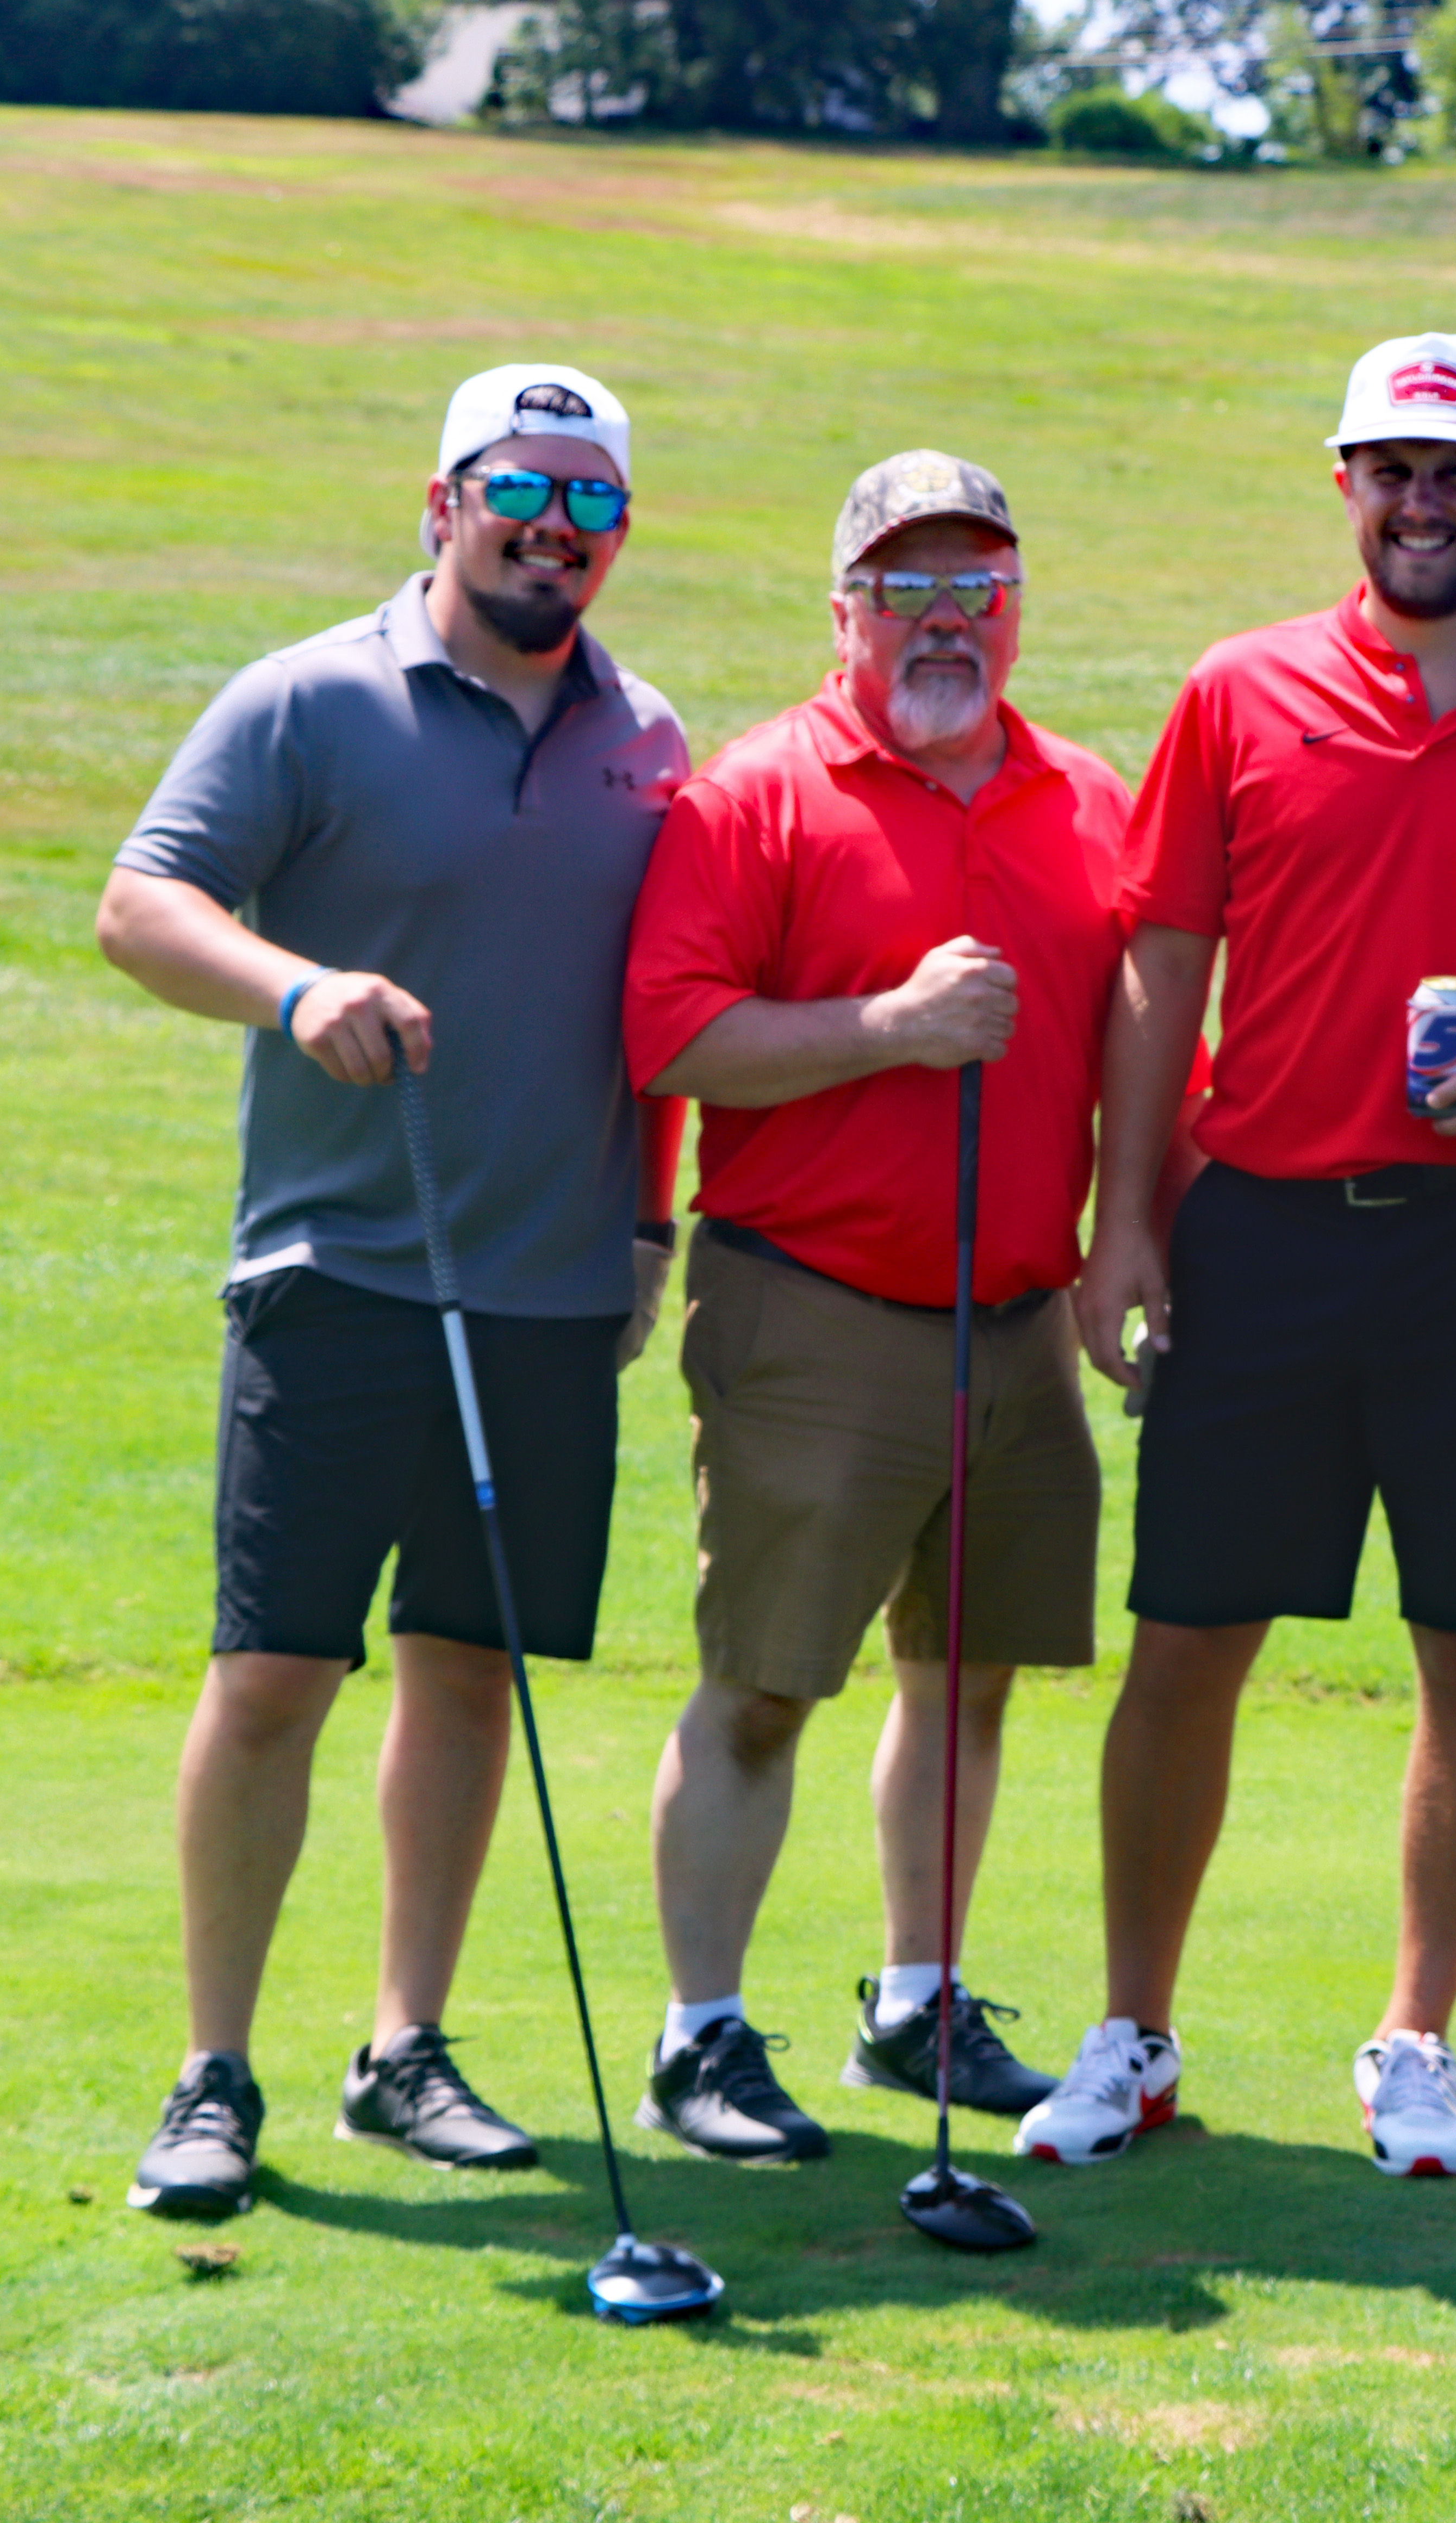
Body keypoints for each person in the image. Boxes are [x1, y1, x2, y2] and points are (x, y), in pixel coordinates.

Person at [1017, 336, 1456, 2181]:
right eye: (1392, 468)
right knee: (1187, 1637)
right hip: (1264, 1231)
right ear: (1346, 483)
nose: (1423, 501)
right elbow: (1160, 969)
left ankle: (1419, 2035)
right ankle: (1133, 2030)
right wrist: (1127, 1218)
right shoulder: (1243, 690)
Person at [95, 364, 689, 2220]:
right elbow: (143, 904)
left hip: (546, 1295)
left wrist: (648, 1234)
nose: (554, 531)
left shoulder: (648, 739)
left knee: (467, 1673)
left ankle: (404, 2049)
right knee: (275, 1672)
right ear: (439, 501)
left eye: (592, 505)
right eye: (522, 489)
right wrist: (294, 989)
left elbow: (659, 1014)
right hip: (336, 1275)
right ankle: (212, 2075)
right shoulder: (308, 699)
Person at [616, 452, 1132, 2162]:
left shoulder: (1085, 797)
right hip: (814, 1310)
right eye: (903, 588)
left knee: (966, 1676)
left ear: (1015, 608)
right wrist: (887, 1029)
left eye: (974, 585)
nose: (942, 620)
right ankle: (699, 2039)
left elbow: (1142, 1045)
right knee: (767, 1685)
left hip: (1016, 1321)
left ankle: (917, 2002)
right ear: (843, 612)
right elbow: (674, 1039)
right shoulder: (754, 795)